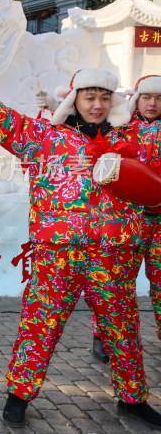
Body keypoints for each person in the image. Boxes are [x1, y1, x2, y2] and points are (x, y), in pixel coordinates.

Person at [0, 69, 161, 429]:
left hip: (113, 252)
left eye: (105, 97)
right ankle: (18, 396)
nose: (98, 105)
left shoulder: (136, 138)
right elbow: (9, 123)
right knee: (40, 324)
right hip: (59, 250)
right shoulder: (48, 137)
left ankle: (132, 399)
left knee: (123, 328)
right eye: (90, 97)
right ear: (74, 100)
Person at [37, 76, 161, 364]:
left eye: (158, 98)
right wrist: (58, 106)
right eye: (147, 97)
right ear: (135, 100)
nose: (153, 103)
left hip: (158, 223)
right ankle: (101, 335)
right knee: (114, 284)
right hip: (128, 223)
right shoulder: (124, 130)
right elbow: (83, 131)